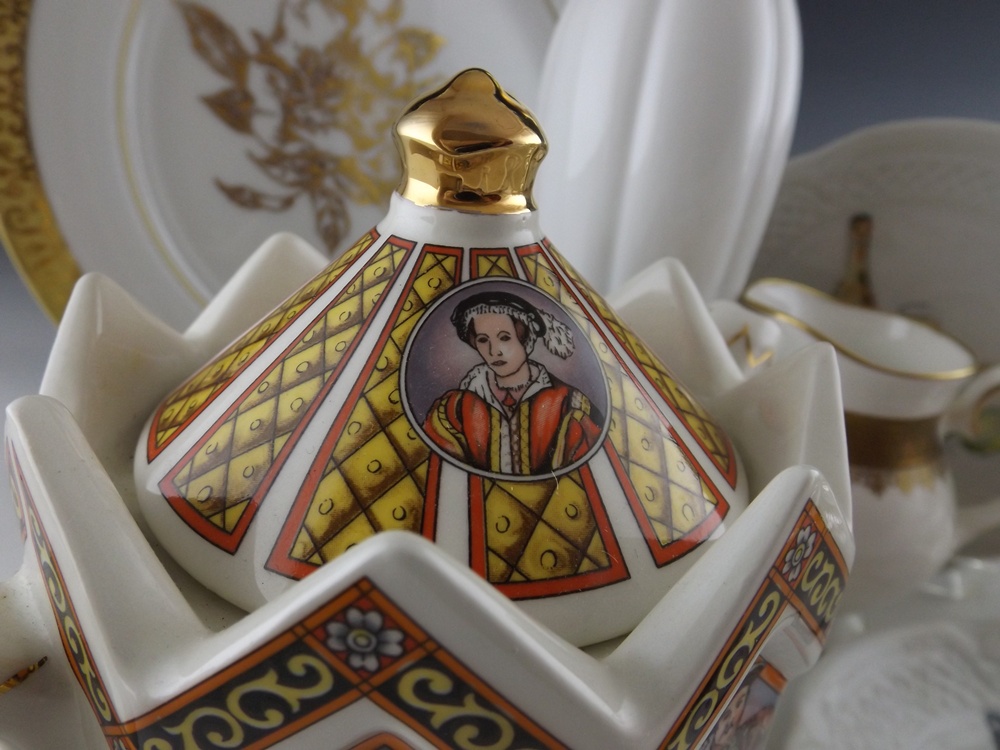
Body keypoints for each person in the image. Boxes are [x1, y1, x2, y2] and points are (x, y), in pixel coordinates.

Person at [423, 290, 602, 475]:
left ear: (527, 340)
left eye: (505, 338)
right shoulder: (455, 409)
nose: (494, 351)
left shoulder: (569, 403)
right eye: (483, 340)